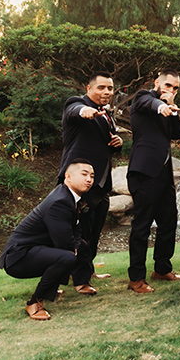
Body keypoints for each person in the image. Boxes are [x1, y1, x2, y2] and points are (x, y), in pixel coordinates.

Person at [0, 160, 94, 320]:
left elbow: (75, 228)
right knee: (67, 256)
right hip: (18, 258)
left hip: (34, 249)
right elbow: (63, 242)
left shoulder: (69, 196)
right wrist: (74, 248)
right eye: (84, 174)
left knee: (81, 247)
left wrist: (77, 245)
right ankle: (34, 302)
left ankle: (75, 284)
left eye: (92, 176)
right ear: (68, 177)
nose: (89, 179)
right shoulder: (60, 201)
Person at [58, 71, 123, 295]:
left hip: (101, 184)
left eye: (110, 88)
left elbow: (107, 143)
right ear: (89, 89)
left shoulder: (107, 114)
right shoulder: (76, 104)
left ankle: (88, 269)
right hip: (79, 183)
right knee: (80, 232)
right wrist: (84, 111)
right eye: (101, 88)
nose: (106, 92)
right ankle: (79, 279)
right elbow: (74, 111)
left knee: (94, 232)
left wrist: (118, 141)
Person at [125, 69, 180, 294]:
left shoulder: (169, 108)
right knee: (142, 226)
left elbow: (179, 133)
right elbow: (149, 103)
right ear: (157, 83)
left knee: (169, 222)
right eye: (168, 85)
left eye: (175, 88)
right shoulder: (144, 97)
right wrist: (161, 105)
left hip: (164, 174)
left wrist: (171, 111)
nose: (171, 90)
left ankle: (162, 268)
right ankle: (136, 279)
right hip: (143, 172)